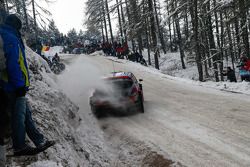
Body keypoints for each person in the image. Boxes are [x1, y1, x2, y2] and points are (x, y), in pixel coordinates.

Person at [0, 14, 55, 156]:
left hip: (13, 84)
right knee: (19, 116)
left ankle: (39, 140)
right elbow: (13, 64)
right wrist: (19, 86)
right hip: (13, 86)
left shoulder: (7, 35)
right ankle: (19, 146)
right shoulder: (10, 38)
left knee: (26, 114)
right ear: (16, 26)